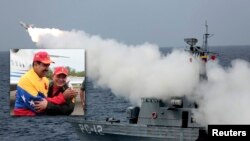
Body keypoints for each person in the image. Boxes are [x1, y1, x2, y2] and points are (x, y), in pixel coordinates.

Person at [14, 51, 54, 116]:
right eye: (45, 65)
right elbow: (38, 106)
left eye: (48, 65)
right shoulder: (26, 80)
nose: (47, 69)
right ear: (35, 64)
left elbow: (45, 99)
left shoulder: (45, 80)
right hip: (24, 113)